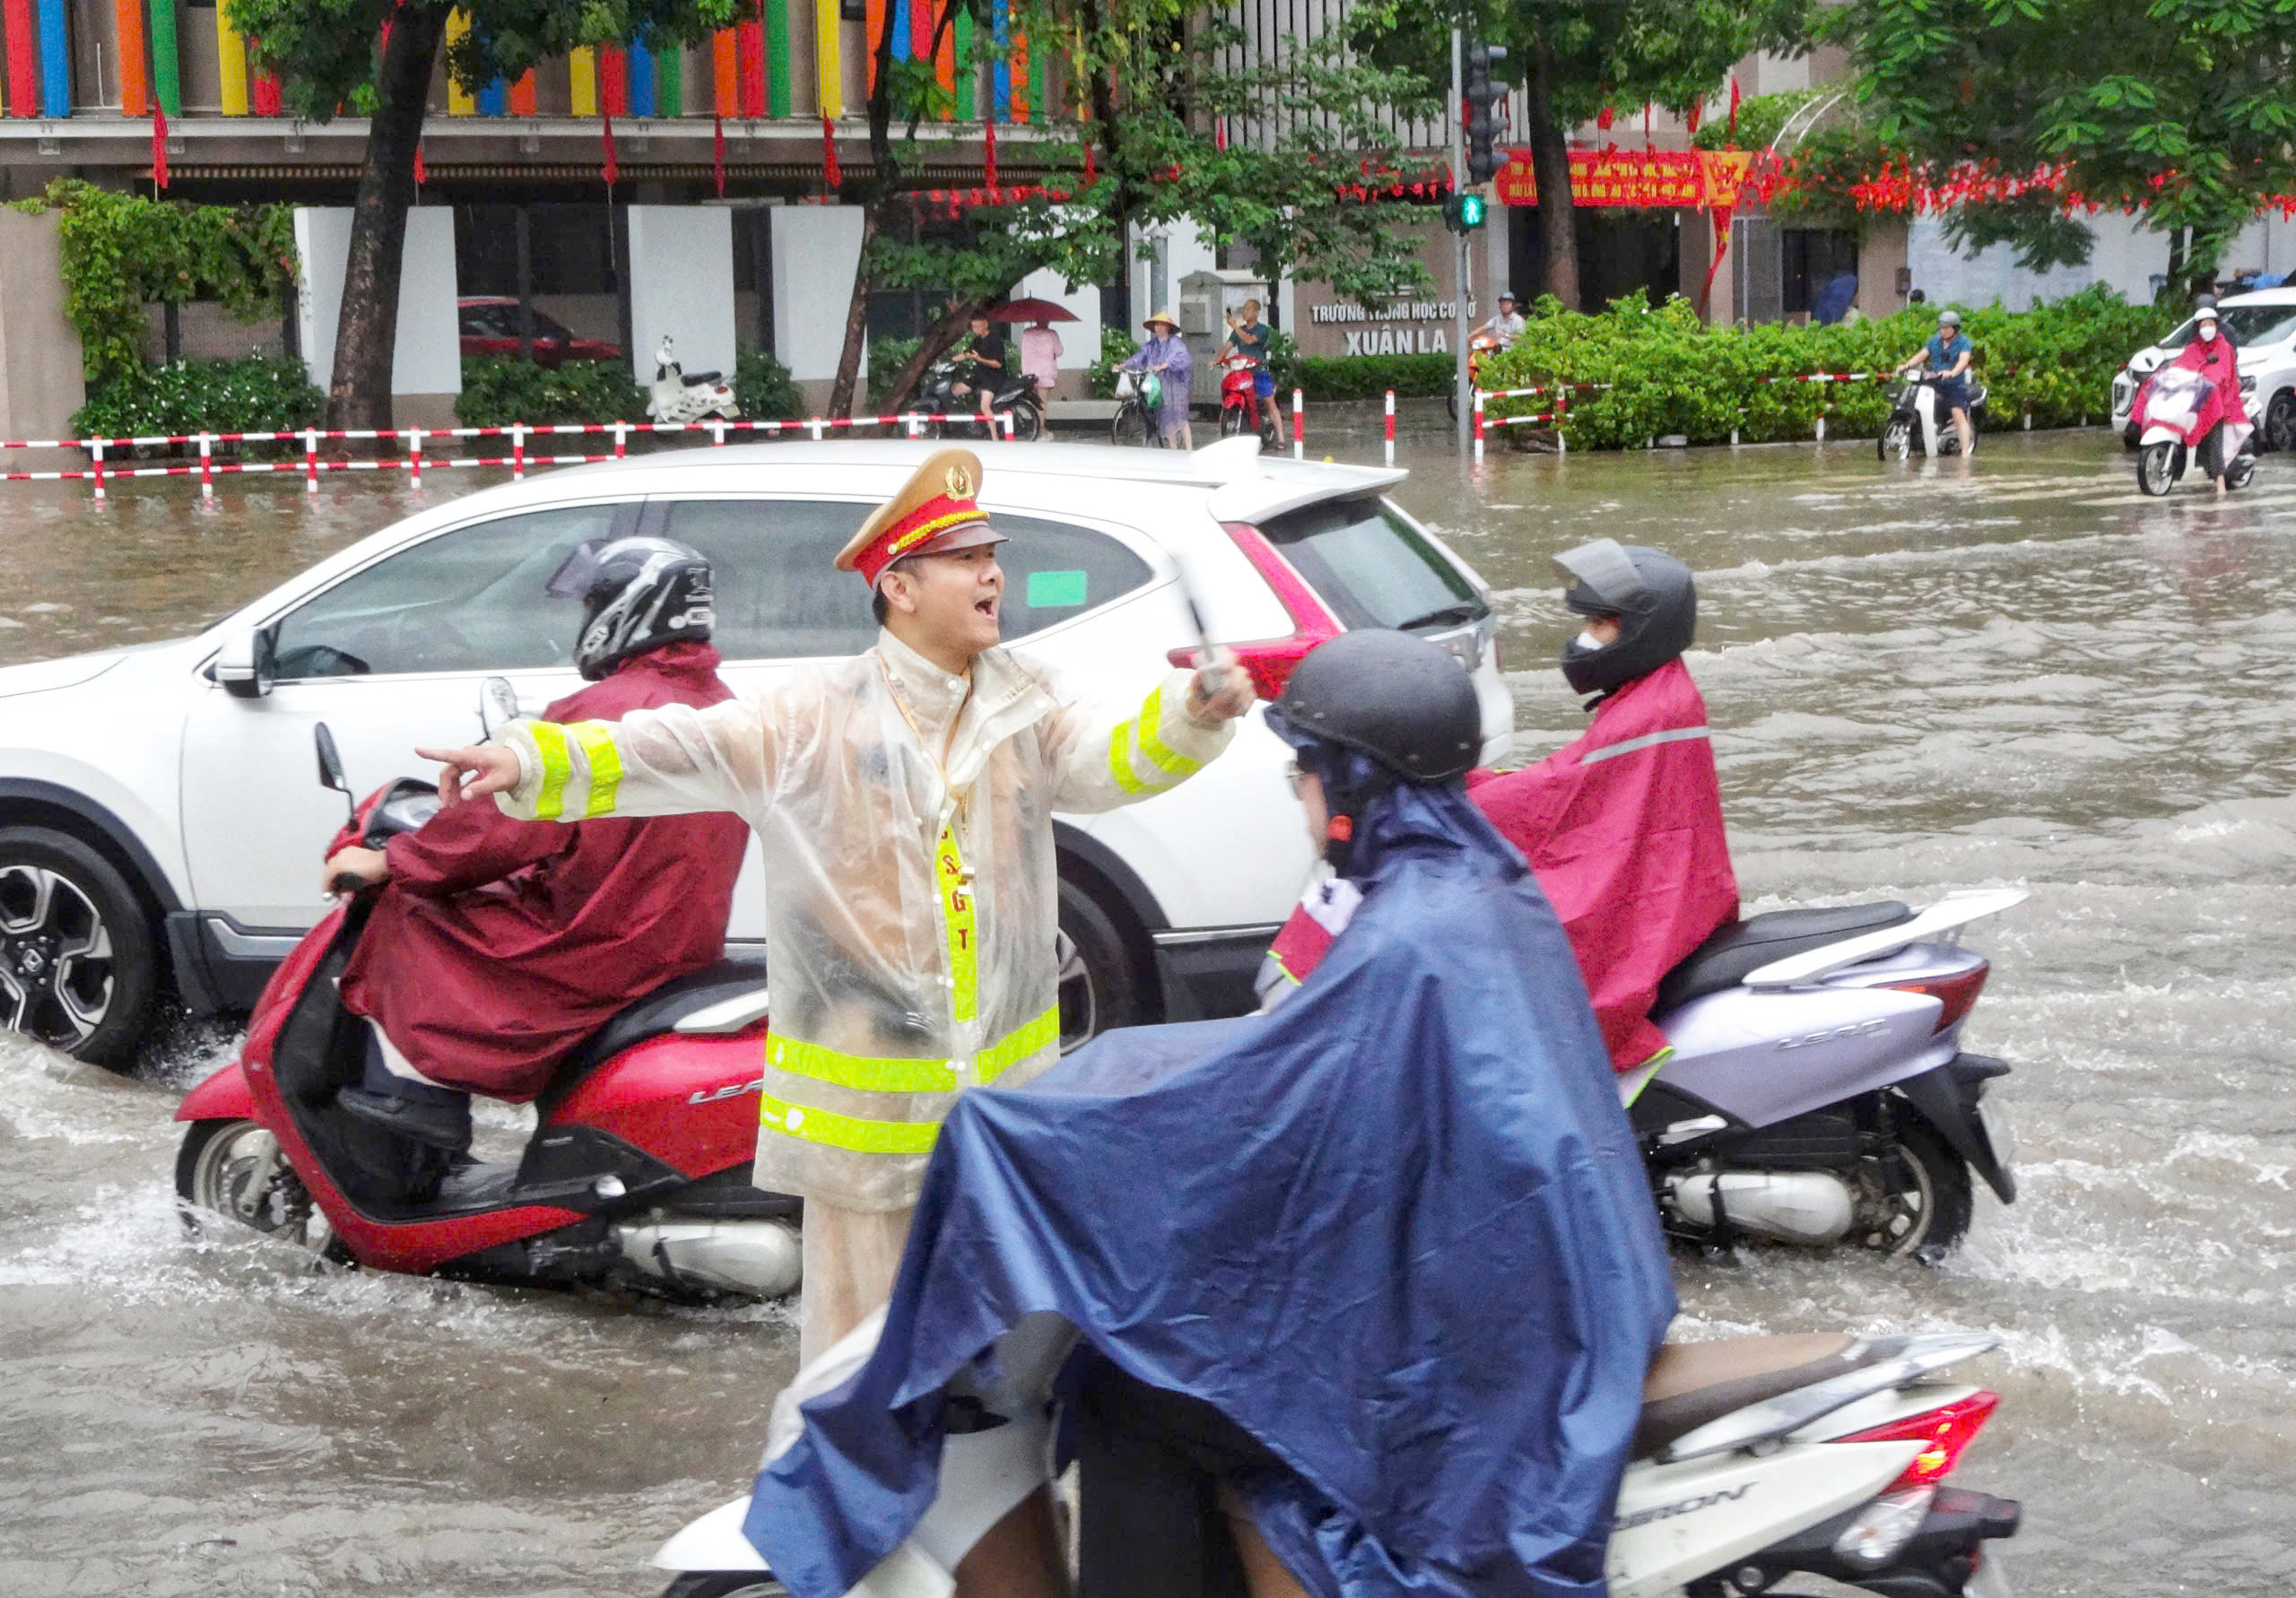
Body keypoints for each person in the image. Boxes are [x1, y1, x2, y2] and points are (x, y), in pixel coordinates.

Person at [734, 628, 1676, 1598]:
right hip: (1535, 1286)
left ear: (1347, 788)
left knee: (1140, 1400)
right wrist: (1124, 1075)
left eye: (1303, 775)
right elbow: (1305, 1078)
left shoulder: (1406, 939)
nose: (1300, 799)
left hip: (1459, 1339)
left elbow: (1269, 1103)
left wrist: (1036, 1132)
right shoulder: (1476, 885)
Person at [417, 447, 1256, 1368]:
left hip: (1001, 1114)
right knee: (859, 1368)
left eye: (992, 555)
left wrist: (1193, 713)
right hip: (866, 1125)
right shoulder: (813, 716)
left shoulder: (1024, 698)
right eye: (966, 558)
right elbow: (673, 747)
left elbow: (1110, 760)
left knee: (1001, 1361)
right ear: (899, 585)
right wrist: (530, 761)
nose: (992, 574)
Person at [1259, 541, 1735, 1101]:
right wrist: (1484, 785)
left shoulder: (1654, 712)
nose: (1585, 636)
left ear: (1642, 630)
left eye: (1601, 625)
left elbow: (1568, 798)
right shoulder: (1656, 695)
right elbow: (1573, 780)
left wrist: (1445, 803)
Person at [323, 536, 751, 1157]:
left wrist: (391, 860)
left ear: (628, 609)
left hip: (597, 941)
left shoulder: (605, 709)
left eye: (593, 605)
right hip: (672, 940)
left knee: (406, 913)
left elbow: (499, 824)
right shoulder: (719, 707)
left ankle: (417, 1099)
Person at [2171, 296, 2251, 492]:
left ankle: (2221, 481)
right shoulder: (2193, 341)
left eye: (2210, 323)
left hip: (2222, 390)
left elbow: (2225, 366)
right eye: (2202, 324)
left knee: (2214, 430)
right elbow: (2184, 362)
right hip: (2198, 389)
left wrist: (2211, 379)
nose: (2206, 327)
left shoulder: (2225, 340)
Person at [1893, 307, 1975, 456]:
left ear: (1955, 329)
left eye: (1946, 328)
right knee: (1914, 399)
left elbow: (1963, 361)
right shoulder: (1935, 341)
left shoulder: (1964, 342)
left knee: (1957, 413)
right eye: (1941, 327)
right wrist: (1906, 366)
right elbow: (1921, 355)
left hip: (1954, 384)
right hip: (1935, 381)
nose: (1943, 331)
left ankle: (1965, 453)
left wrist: (1952, 373)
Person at [1119, 309, 1195, 449]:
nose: (1159, 327)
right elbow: (1139, 357)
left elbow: (1179, 358)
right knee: (1166, 416)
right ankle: (1173, 450)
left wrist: (1165, 365)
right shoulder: (1151, 345)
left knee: (1180, 415)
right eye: (1157, 325)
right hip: (1161, 384)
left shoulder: (1176, 343)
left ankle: (1189, 449)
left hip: (1177, 384)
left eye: (1162, 324)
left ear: (1168, 327)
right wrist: (1123, 365)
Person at [1220, 300, 1283, 440]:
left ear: (1256, 312)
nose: (1245, 312)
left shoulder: (1262, 330)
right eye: (1244, 309)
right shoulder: (1239, 331)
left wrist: (1235, 326)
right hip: (1242, 374)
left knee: (1269, 402)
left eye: (1248, 309)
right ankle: (1221, 433)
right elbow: (1227, 346)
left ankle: (1281, 438)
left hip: (1258, 371)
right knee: (1226, 399)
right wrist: (1218, 359)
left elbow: (1249, 340)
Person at [953, 309, 1009, 427]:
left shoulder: (995, 339)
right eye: (973, 327)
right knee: (954, 390)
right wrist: (952, 360)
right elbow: (967, 354)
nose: (976, 330)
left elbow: (998, 364)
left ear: (986, 324)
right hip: (980, 374)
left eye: (978, 326)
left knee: (985, 406)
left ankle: (995, 439)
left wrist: (980, 359)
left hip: (994, 377)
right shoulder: (977, 340)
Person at [1018, 315, 1064, 426]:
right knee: (1041, 403)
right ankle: (1041, 429)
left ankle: (1034, 426)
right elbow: (1059, 351)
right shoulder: (1052, 334)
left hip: (1029, 373)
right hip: (1045, 373)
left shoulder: (1026, 333)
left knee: (1034, 402)